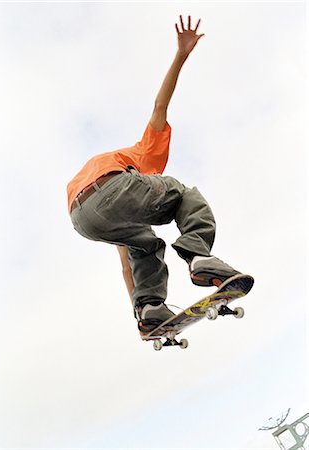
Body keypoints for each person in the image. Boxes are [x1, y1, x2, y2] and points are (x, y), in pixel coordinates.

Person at [67, 16, 244, 334]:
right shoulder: (144, 152)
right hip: (112, 186)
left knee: (144, 246)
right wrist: (181, 55)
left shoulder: (134, 207)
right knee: (183, 194)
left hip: (82, 217)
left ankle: (150, 306)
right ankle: (198, 255)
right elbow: (161, 103)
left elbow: (126, 266)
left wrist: (140, 314)